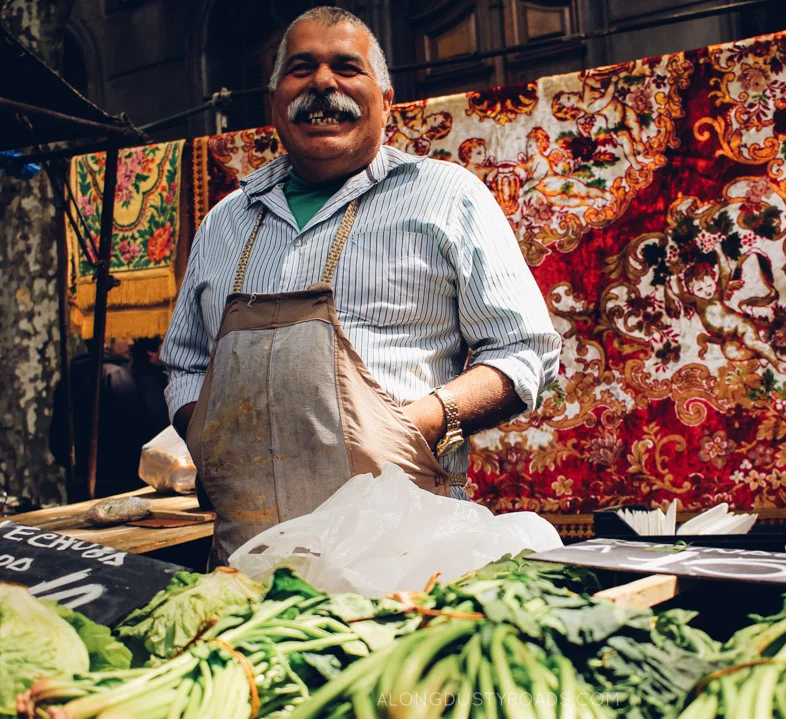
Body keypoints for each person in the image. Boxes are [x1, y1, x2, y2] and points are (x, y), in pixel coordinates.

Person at [161, 7, 562, 566]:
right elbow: (183, 364)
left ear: (387, 100)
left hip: (405, 552)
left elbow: (524, 353)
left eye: (347, 67)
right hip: (246, 561)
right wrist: (207, 434)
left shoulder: (448, 196)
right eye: (301, 69)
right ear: (276, 100)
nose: (323, 82)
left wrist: (411, 425)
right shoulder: (225, 221)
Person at [51, 337, 146, 502]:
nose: (131, 342)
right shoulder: (115, 376)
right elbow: (133, 435)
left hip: (80, 481)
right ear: (106, 341)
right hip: (118, 484)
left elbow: (57, 440)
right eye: (125, 336)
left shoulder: (70, 375)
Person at [130, 336, 170, 443]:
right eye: (162, 342)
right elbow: (158, 419)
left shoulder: (137, 373)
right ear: (150, 352)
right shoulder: (152, 380)